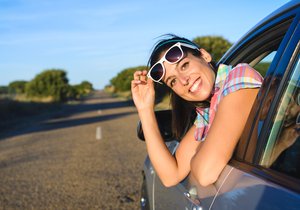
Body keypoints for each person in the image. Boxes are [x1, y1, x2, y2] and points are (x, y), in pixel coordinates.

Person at [131, 35, 263, 187]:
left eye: (184, 65)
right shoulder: (207, 112)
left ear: (204, 55)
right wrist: (145, 108)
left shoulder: (239, 78)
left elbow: (205, 173)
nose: (183, 80)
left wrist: (198, 153)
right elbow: (171, 176)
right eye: (172, 81)